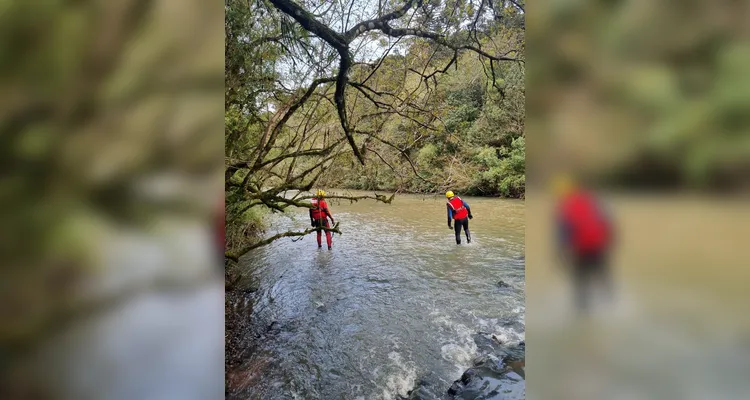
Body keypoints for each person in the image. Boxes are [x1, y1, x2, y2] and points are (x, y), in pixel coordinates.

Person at [553, 174, 615, 313]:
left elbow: (563, 231)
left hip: (580, 249)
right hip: (597, 246)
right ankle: (611, 303)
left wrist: (561, 252)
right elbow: (607, 223)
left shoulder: (567, 205)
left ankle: (582, 310)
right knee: (602, 274)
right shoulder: (596, 200)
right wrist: (609, 242)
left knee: (580, 280)